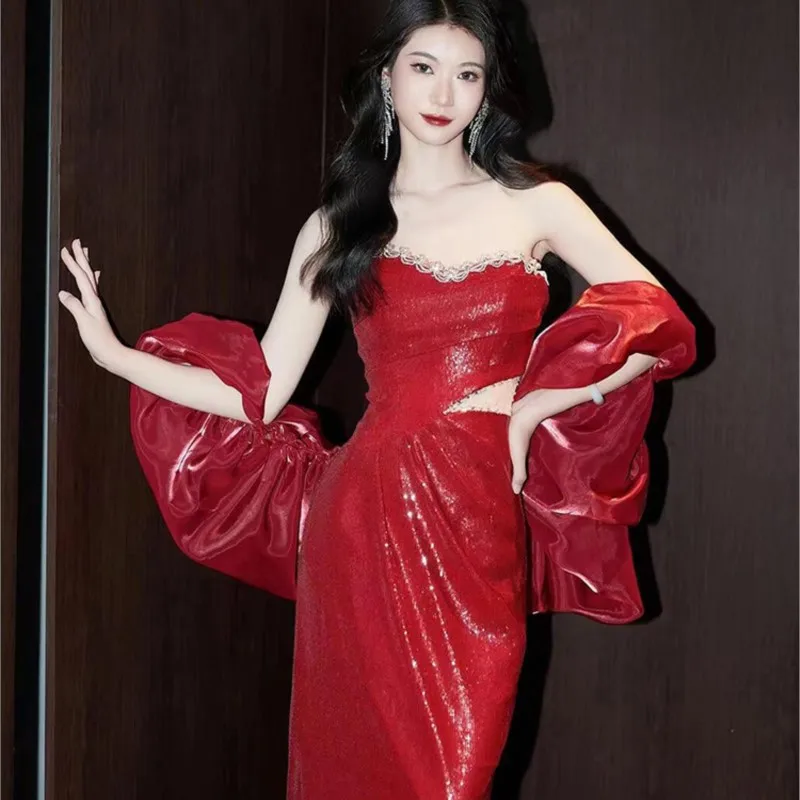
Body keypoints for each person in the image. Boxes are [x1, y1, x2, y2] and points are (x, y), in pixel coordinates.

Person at [57, 1, 696, 797]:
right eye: (423, 67)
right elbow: (261, 391)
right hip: (363, 525)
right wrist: (115, 356)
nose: (444, 93)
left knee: (457, 777)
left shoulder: (536, 203)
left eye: (467, 74)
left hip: (480, 526)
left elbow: (657, 324)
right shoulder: (340, 224)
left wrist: (534, 406)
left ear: (488, 90)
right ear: (387, 78)